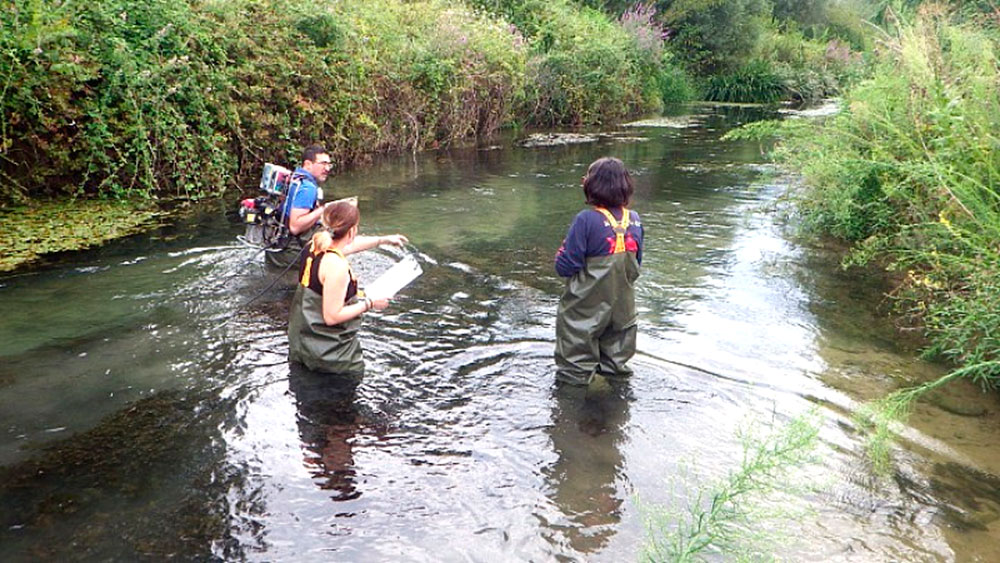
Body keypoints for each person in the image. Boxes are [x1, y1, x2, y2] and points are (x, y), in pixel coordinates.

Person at [554, 157, 644, 386]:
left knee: (574, 371)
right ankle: (615, 416)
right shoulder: (634, 219)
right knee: (617, 370)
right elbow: (637, 264)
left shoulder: (585, 220)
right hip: (623, 310)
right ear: (626, 185)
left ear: (592, 185)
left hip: (584, 311)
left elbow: (565, 267)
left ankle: (570, 417)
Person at [288, 200, 391, 374]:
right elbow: (332, 317)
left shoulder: (313, 246)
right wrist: (370, 303)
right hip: (330, 358)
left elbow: (348, 246)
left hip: (301, 345)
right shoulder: (336, 267)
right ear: (352, 231)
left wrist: (382, 240)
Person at [267, 144, 407, 268]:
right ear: (308, 164)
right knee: (338, 245)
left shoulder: (294, 178)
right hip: (291, 257)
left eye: (329, 164)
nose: (327, 168)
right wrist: (324, 209)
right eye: (323, 164)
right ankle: (384, 240)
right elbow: (295, 226)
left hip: (277, 252)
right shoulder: (308, 188)